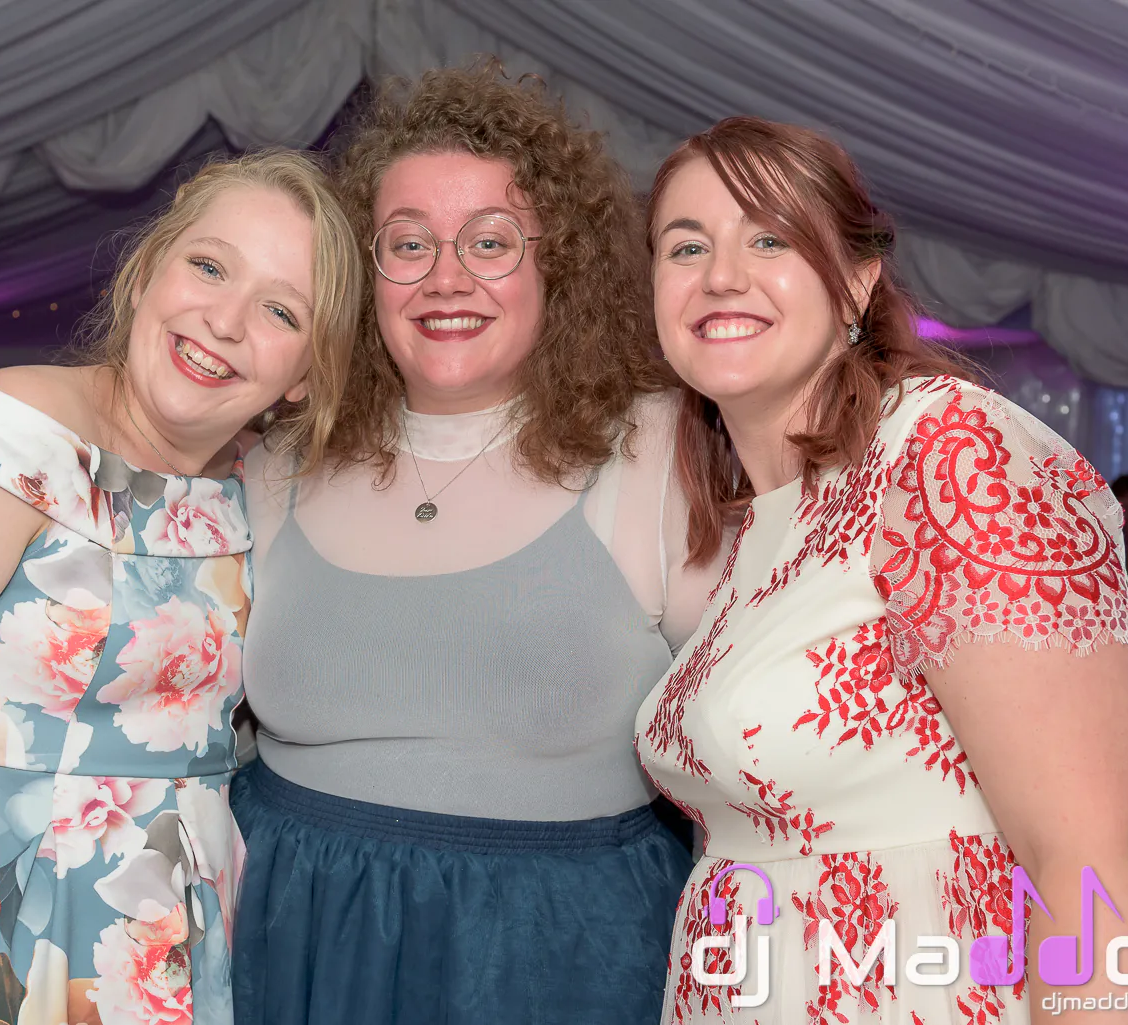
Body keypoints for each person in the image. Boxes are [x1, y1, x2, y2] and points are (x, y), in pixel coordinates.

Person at [0, 150, 361, 1025]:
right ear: (147, 271)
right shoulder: (9, 436)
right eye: (208, 266)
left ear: (305, 373)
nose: (226, 321)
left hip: (161, 968)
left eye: (280, 310)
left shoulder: (256, 494)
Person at [635, 117, 1128, 1023]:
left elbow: (1095, 861)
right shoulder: (756, 528)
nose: (721, 275)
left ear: (857, 281)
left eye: (770, 238)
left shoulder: (945, 452)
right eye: (686, 246)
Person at [231, 65, 727, 1025]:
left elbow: (756, 741)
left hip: (556, 960)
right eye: (408, 243)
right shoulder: (277, 462)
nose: (446, 278)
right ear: (363, 274)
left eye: (491, 241)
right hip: (290, 943)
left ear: (559, 266)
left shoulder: (664, 448)